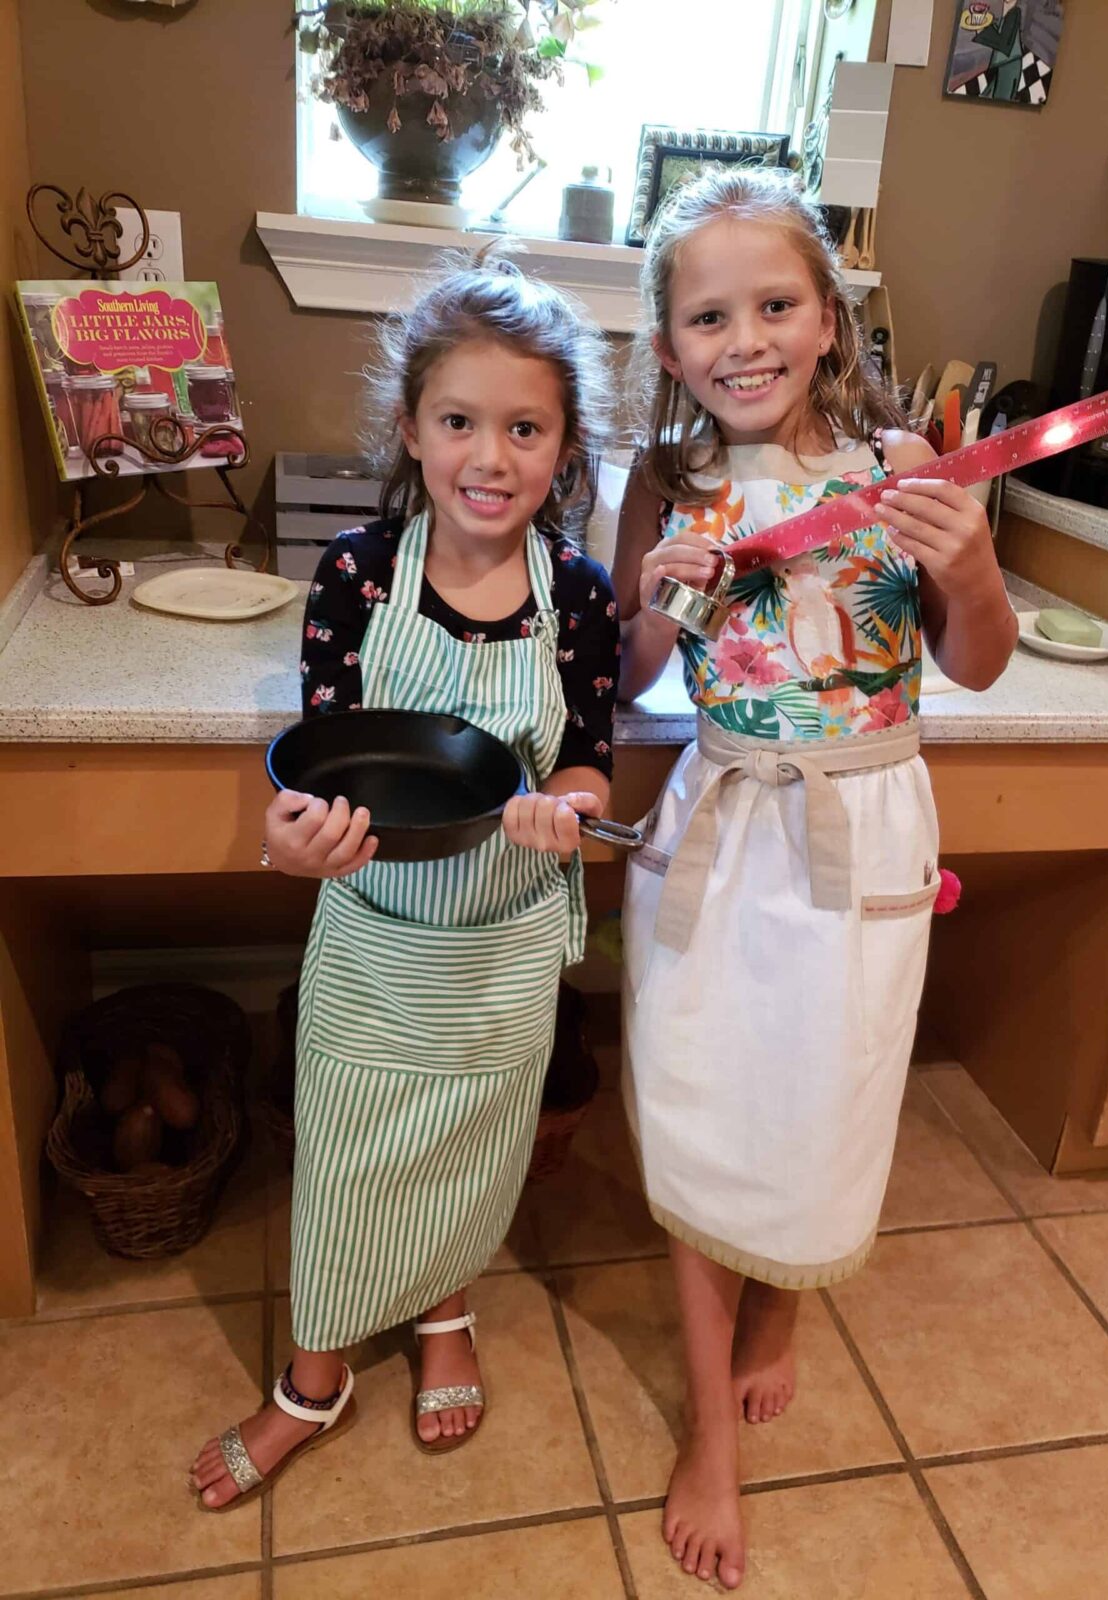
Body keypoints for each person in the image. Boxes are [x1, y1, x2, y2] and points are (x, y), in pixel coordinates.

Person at [612, 166, 1016, 1589]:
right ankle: (710, 1425)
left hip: (863, 827)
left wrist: (969, 565)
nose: (746, 339)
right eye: (707, 316)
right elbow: (632, 675)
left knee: (823, 1084)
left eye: (776, 303)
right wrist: (660, 606)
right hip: (718, 823)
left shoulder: (905, 469)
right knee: (695, 1082)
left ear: (828, 320)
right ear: (669, 349)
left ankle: (786, 1304)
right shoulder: (667, 482)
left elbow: (976, 659)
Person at [190, 251, 618, 1508]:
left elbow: (587, 758)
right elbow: (325, 760)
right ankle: (314, 1380)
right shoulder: (359, 576)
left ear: (562, 443)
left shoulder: (578, 598)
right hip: (377, 927)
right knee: (345, 1155)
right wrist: (291, 839)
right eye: (460, 421)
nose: (492, 456)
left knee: (473, 1147)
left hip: (501, 941)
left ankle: (443, 1309)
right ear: (412, 429)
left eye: (524, 428)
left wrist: (573, 809)